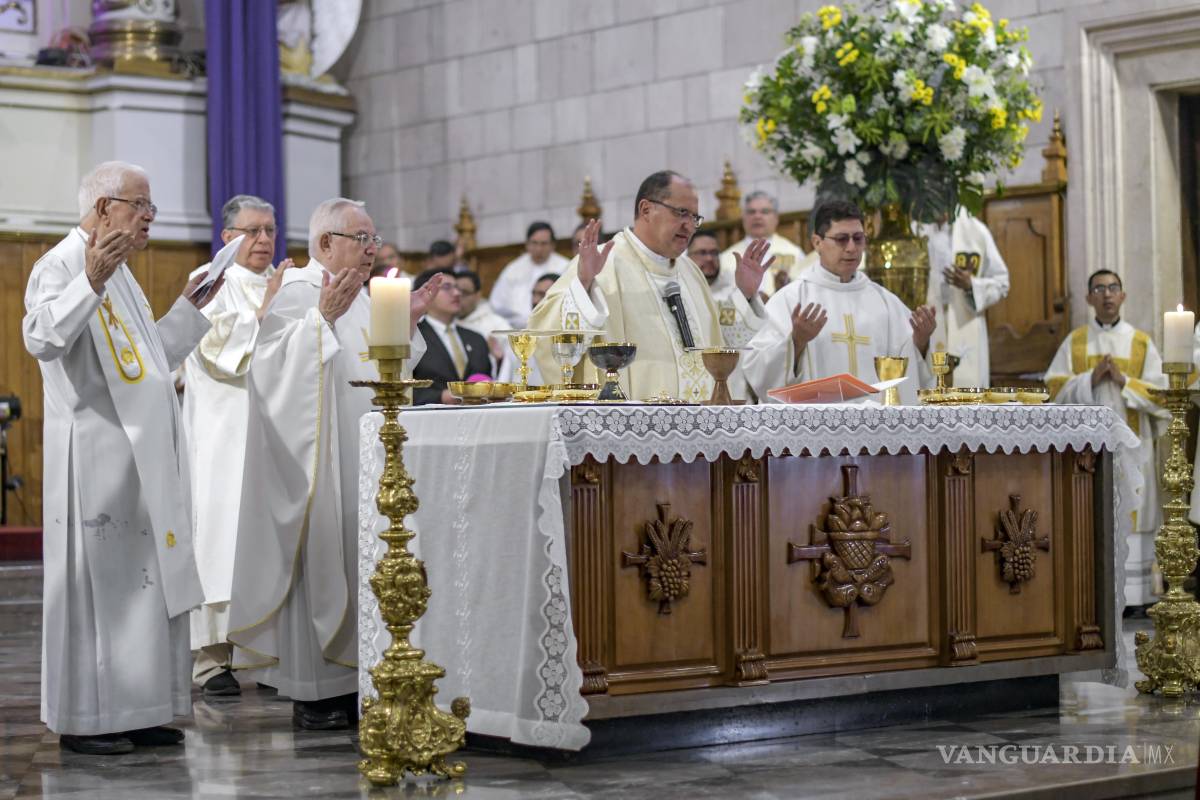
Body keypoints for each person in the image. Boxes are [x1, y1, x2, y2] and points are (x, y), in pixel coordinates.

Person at [23, 161, 219, 755]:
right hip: (95, 458)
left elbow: (147, 359)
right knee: (98, 593)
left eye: (150, 207)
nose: (149, 219)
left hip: (142, 455)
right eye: (141, 206)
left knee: (144, 590)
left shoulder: (124, 274)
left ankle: (138, 709)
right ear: (104, 208)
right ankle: (86, 720)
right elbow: (42, 338)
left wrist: (189, 307)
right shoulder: (58, 264)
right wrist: (90, 279)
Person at [226, 198, 442, 731]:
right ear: (325, 243)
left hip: (365, 456)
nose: (373, 250)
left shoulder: (366, 298)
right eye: (361, 239)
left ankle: (358, 682)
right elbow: (269, 370)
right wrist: (320, 320)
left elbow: (383, 369)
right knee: (325, 559)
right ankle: (316, 692)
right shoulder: (302, 290)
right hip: (320, 461)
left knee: (361, 561)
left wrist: (406, 325)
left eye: (374, 240)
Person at [529, 170, 770, 402]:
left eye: (694, 217)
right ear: (646, 209)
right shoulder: (602, 263)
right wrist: (583, 282)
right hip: (631, 426)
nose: (689, 226)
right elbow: (544, 334)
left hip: (699, 425)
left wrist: (746, 295)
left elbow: (718, 344)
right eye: (681, 213)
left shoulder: (690, 272)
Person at [181, 194, 291, 699]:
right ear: (228, 238)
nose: (264, 239)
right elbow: (216, 351)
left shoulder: (284, 283)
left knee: (265, 539)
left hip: (270, 431)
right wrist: (266, 310)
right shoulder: (210, 281)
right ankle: (211, 659)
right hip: (223, 433)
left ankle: (261, 652)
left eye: (269, 230)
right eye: (253, 231)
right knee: (220, 542)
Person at [1045, 270, 1168, 607]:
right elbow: (1052, 390)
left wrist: (1124, 381)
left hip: (1133, 446)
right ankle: (1098, 595)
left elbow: (1163, 396)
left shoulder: (1141, 342)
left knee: (1135, 512)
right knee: (1095, 516)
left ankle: (1137, 597)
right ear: (1089, 299)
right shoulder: (1076, 341)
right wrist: (1090, 378)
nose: (1107, 295)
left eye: (1113, 288)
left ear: (1123, 296)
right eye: (1099, 289)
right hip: (1091, 449)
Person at [742, 200, 936, 404]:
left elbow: (911, 373)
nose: (852, 248)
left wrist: (921, 342)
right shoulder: (791, 299)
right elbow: (758, 371)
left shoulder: (885, 302)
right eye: (842, 239)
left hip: (876, 429)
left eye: (858, 238)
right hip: (815, 430)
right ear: (817, 243)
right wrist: (796, 342)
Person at [922, 208, 1010, 388]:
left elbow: (1002, 282)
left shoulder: (977, 232)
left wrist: (972, 286)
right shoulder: (915, 230)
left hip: (964, 324)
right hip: (925, 327)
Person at [413, 267, 493, 405]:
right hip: (431, 418)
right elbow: (403, 388)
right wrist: (441, 397)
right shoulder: (413, 336)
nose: (456, 293)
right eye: (447, 288)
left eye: (457, 288)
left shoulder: (476, 339)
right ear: (426, 294)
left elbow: (487, 379)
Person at [716, 191, 816, 298]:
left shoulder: (794, 253)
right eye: (751, 212)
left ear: (776, 218)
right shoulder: (726, 258)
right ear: (743, 218)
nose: (757, 216)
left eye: (765, 211)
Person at [490, 222, 569, 327]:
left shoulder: (565, 267)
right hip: (516, 329)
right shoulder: (513, 269)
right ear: (527, 244)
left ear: (553, 245)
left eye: (544, 243)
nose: (539, 249)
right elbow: (497, 304)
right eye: (534, 243)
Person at [496, 272, 558, 385]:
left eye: (542, 295)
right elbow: (503, 382)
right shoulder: (520, 338)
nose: (534, 301)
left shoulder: (564, 338)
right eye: (533, 294)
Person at [455, 269, 508, 345]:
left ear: (478, 295)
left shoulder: (497, 326)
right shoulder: (445, 323)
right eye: (454, 291)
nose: (457, 297)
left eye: (464, 293)